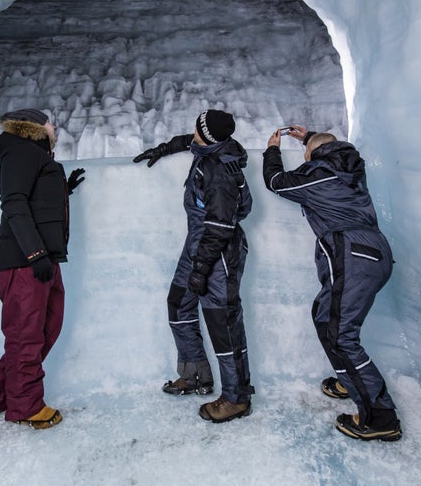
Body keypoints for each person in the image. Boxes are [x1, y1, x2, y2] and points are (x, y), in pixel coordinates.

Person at [262, 125, 401, 441]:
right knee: (327, 319)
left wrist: (272, 150)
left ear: (311, 156)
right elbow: (328, 147)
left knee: (340, 334)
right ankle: (353, 380)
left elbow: (275, 182)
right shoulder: (352, 168)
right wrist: (310, 136)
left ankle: (381, 417)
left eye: (307, 153)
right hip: (372, 253)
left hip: (350, 254)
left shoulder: (317, 175)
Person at [133, 109, 255, 423]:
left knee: (223, 323)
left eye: (198, 127)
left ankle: (236, 398)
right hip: (198, 246)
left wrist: (201, 269)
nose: (193, 132)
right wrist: (164, 148)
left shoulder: (218, 173)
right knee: (179, 303)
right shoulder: (211, 147)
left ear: (208, 136)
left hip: (218, 252)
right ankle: (196, 374)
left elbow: (220, 228)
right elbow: (190, 141)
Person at [0, 108, 85, 429]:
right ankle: (26, 406)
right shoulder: (19, 152)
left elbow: (35, 197)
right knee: (26, 335)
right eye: (49, 121)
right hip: (24, 261)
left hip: (40, 259)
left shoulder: (31, 155)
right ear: (34, 126)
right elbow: (14, 202)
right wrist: (35, 253)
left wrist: (64, 188)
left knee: (47, 327)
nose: (54, 126)